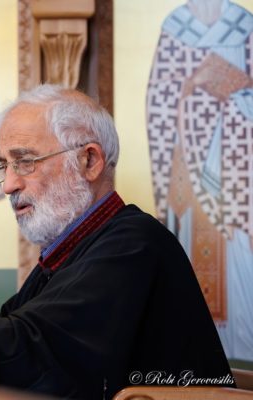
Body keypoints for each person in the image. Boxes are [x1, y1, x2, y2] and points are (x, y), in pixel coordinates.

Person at [0, 85, 233, 399]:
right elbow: (9, 328)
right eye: (4, 165)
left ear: (89, 162)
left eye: (25, 161)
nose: (9, 184)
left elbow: (33, 349)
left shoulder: (134, 243)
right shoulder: (71, 250)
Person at [146, 0, 253, 361]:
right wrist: (191, 89)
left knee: (237, 249)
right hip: (188, 162)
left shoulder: (244, 25)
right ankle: (200, 349)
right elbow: (158, 98)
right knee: (189, 247)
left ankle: (243, 345)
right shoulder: (176, 26)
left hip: (237, 161)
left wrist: (232, 89)